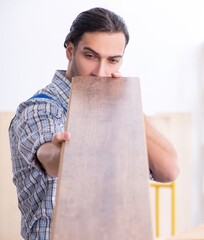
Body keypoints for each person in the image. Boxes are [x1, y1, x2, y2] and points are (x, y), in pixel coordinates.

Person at [9, 7, 179, 240]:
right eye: (90, 56)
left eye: (112, 61)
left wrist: (129, 103)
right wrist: (62, 155)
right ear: (70, 51)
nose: (101, 72)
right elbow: (50, 158)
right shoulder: (40, 108)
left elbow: (169, 170)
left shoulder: (117, 108)